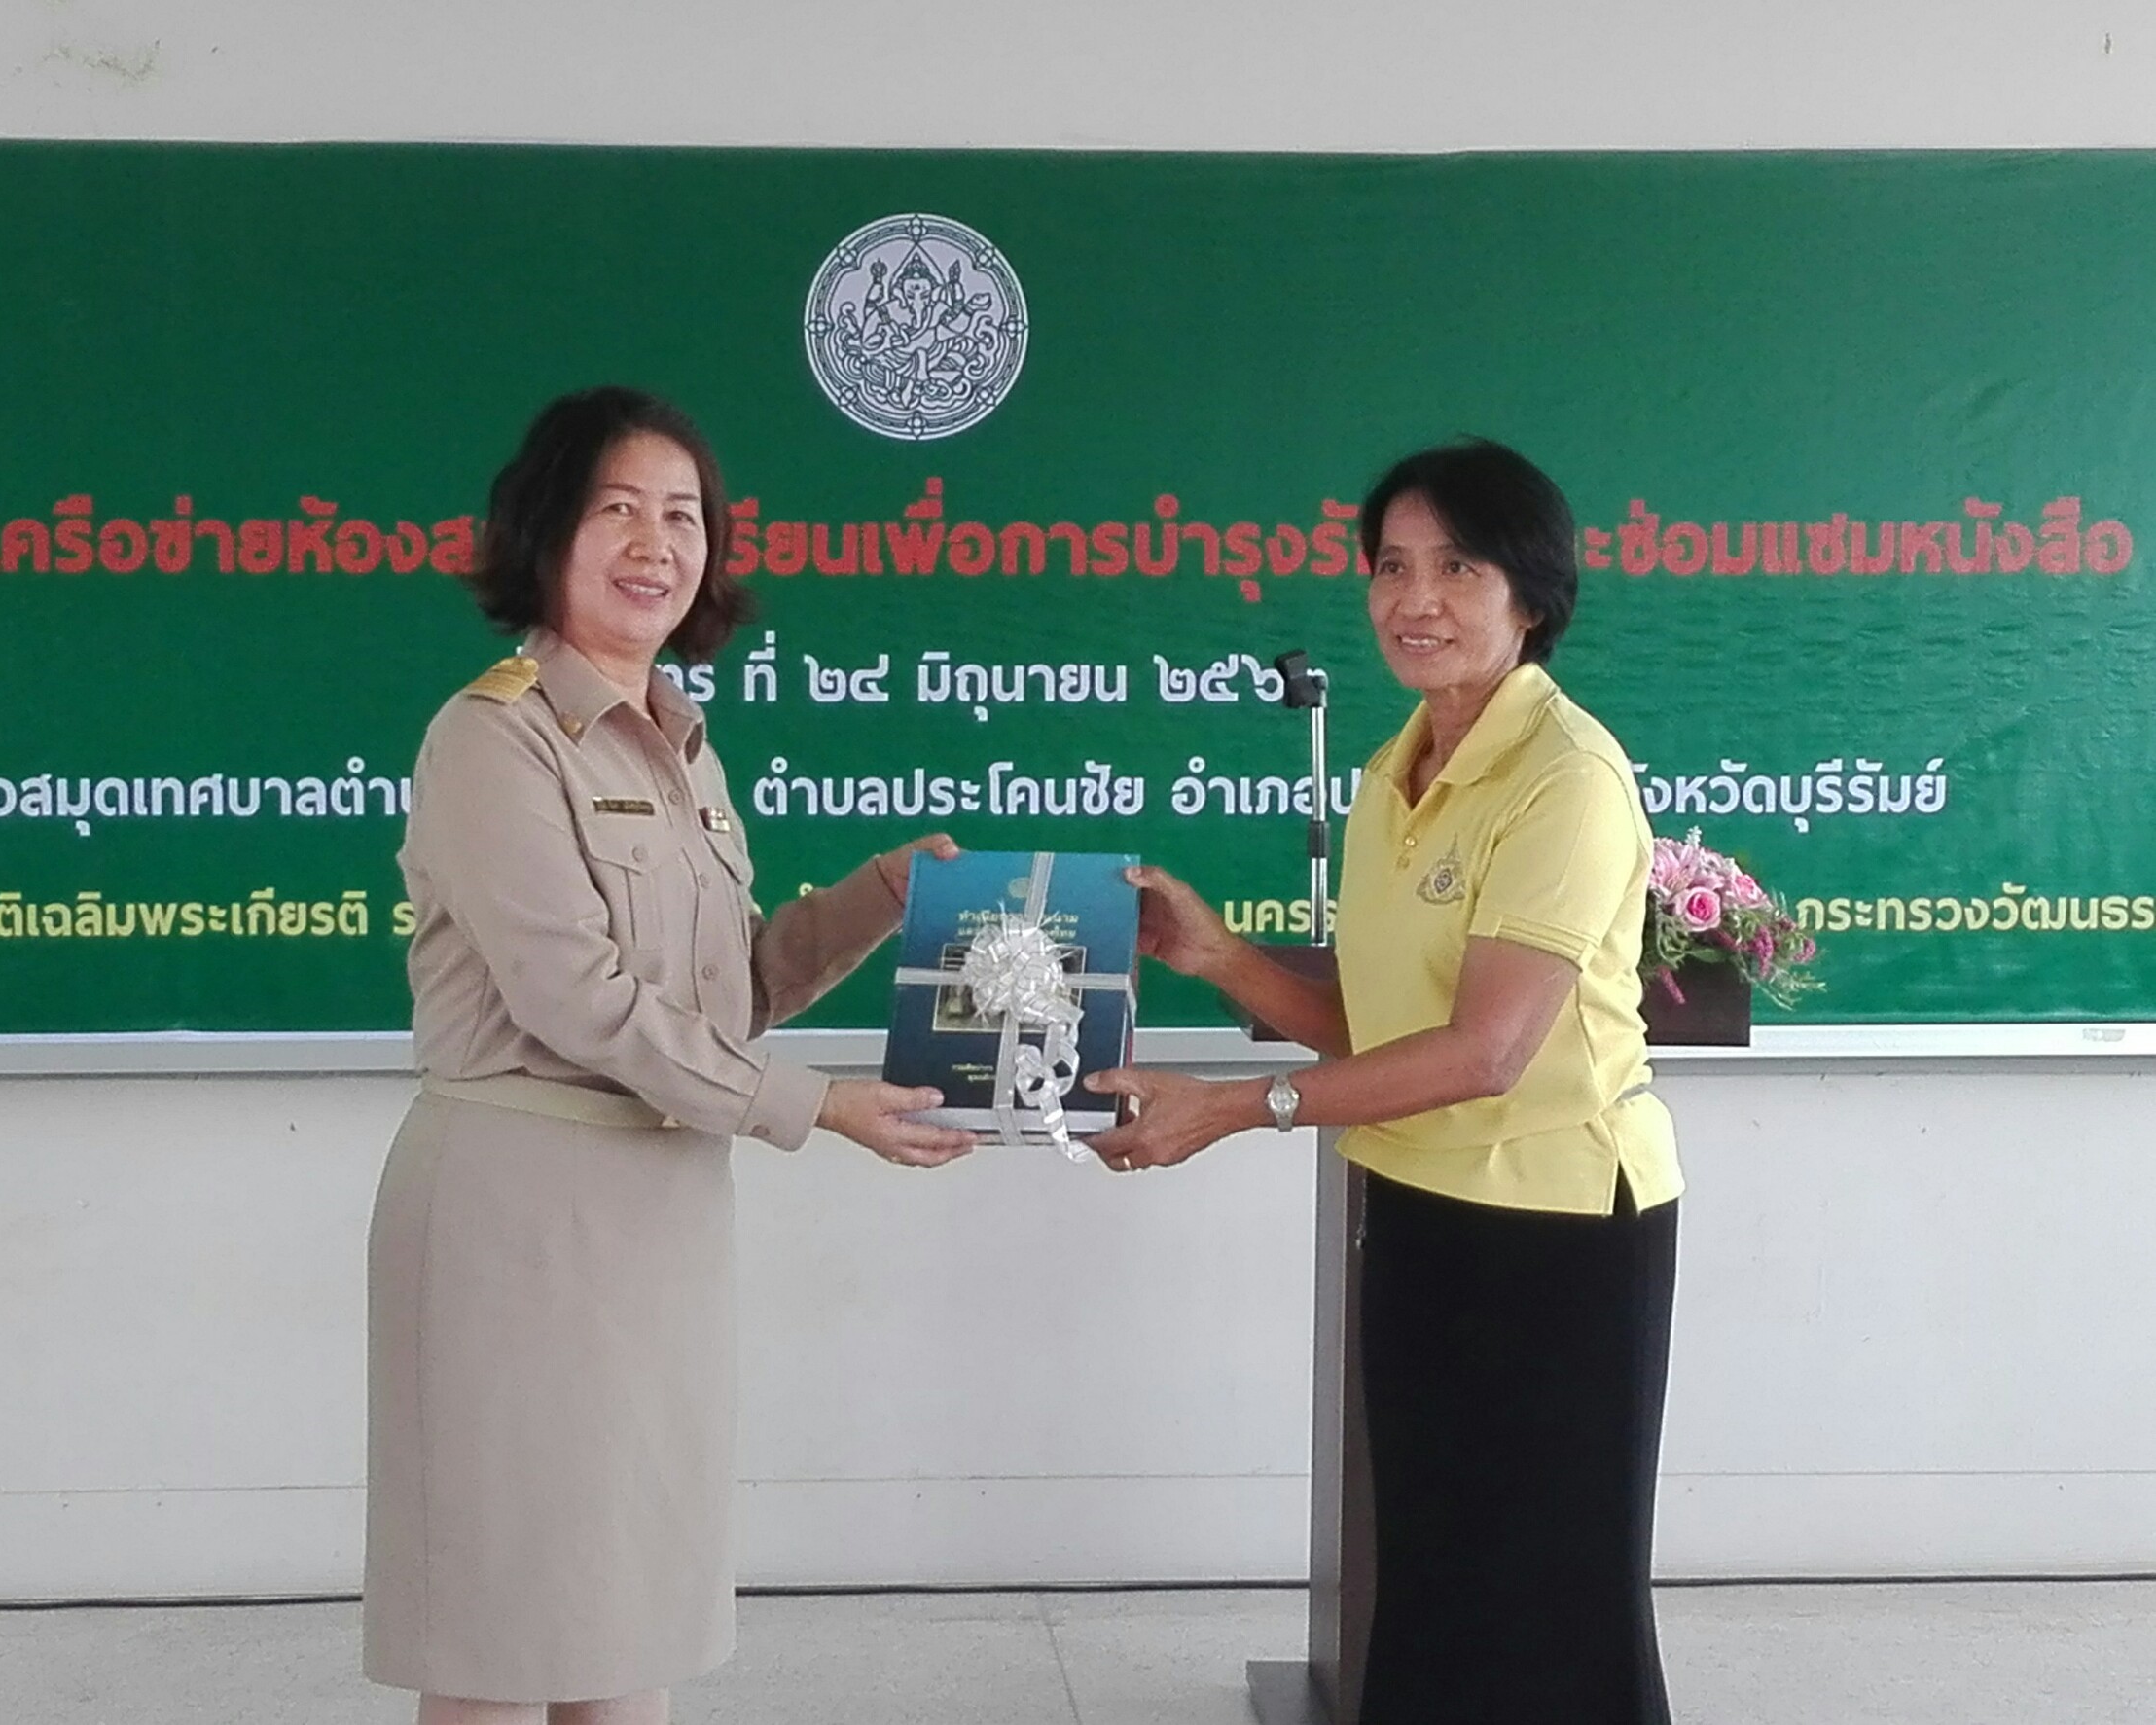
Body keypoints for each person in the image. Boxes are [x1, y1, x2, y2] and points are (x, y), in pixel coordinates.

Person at [363, 386, 976, 1725]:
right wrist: (822, 1108)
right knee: (502, 1626)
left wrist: (883, 894)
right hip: (520, 1221)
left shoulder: (684, 743)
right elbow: (578, 999)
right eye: (619, 510)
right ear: (547, 532)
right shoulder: (492, 736)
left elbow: (725, 991)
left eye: (684, 516)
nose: (657, 544)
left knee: (626, 1606)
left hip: (663, 1214)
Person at [1088, 439, 1683, 1724]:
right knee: (1431, 1580)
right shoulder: (1390, 770)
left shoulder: (1566, 778)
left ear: (1531, 594)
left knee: (1553, 1599)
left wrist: (1232, 1108)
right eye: (1392, 566)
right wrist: (1220, 957)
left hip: (1558, 1229)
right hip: (1417, 1211)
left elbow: (1486, 1051)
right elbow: (1379, 1028)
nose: (1415, 599)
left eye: (1456, 568)